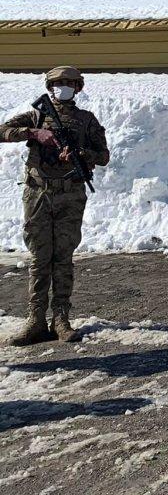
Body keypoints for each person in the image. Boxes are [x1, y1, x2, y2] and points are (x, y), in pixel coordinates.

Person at [0, 66, 109, 345]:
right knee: (39, 257)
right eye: (58, 83)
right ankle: (35, 320)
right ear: (50, 87)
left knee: (63, 257)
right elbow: (2, 130)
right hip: (38, 193)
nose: (64, 88)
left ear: (78, 88)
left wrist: (80, 153)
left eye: (69, 83)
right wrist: (33, 133)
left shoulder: (86, 120)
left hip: (70, 194)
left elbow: (104, 155)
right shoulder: (37, 114)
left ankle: (61, 318)